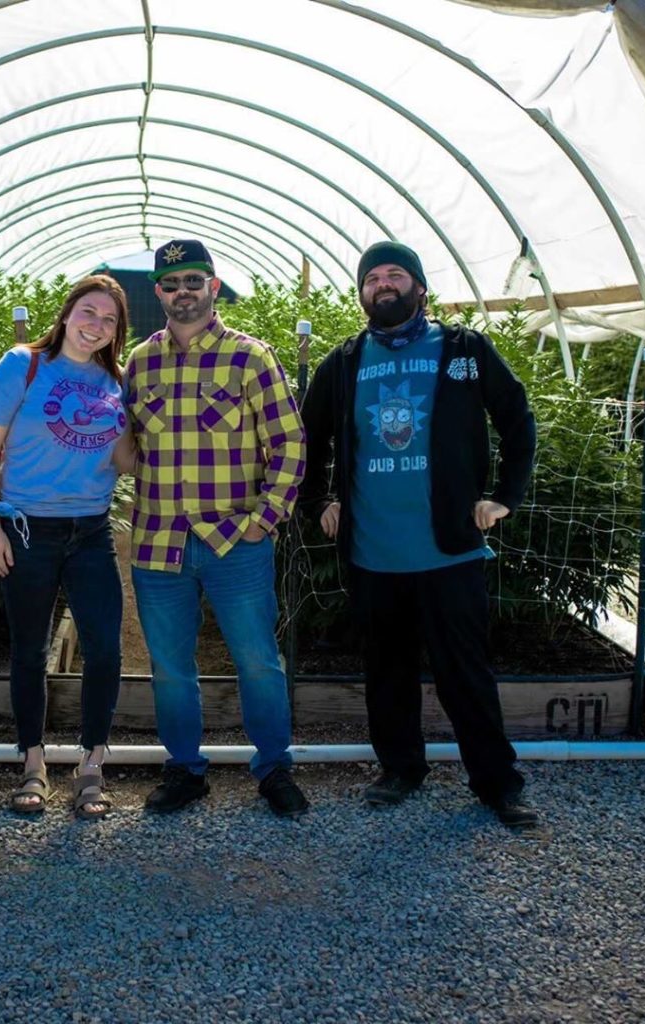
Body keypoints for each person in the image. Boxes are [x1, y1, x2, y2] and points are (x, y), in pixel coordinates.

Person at [299, 240, 539, 830]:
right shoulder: (344, 361)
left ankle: (497, 782)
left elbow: (517, 418)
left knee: (466, 671)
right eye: (373, 277)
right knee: (387, 669)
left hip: (449, 547)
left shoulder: (462, 350)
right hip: (373, 552)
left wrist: (503, 497)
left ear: (419, 288)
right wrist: (318, 501)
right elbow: (308, 440)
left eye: (395, 275)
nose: (384, 284)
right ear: (361, 294)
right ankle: (401, 768)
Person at [124, 239, 309, 818]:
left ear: (214, 286)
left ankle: (274, 767)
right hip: (158, 542)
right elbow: (123, 444)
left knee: (258, 660)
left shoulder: (250, 357)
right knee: (171, 667)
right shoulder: (140, 362)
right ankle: (184, 769)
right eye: (172, 283)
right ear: (159, 292)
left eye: (194, 281)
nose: (183, 292)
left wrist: (265, 520)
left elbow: (290, 443)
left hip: (236, 542)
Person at [0, 275, 133, 819]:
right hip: (26, 530)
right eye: (89, 312)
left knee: (106, 650)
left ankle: (92, 765)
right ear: (67, 314)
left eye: (109, 320)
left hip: (90, 530)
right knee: (30, 651)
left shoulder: (117, 381)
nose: (97, 326)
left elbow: (122, 457)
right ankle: (33, 764)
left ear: (118, 331)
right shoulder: (23, 365)